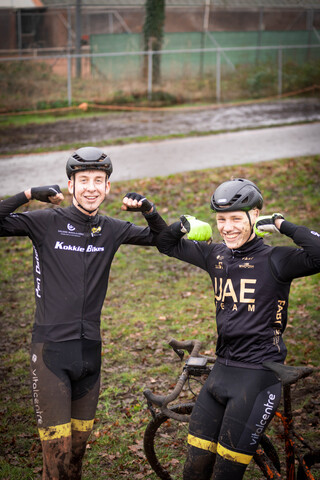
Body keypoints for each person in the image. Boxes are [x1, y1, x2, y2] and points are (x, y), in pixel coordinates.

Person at [0, 146, 167, 480]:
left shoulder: (112, 228)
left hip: (90, 352)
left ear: (107, 187)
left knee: (76, 458)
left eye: (98, 180)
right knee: (57, 463)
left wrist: (149, 210)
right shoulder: (45, 222)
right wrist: (29, 194)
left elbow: (164, 241)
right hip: (51, 353)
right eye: (83, 180)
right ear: (70, 185)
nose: (91, 187)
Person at [155, 178, 320, 480]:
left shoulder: (277, 259)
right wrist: (182, 225)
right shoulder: (215, 254)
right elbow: (165, 244)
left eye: (235, 219)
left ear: (255, 215)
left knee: (225, 476)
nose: (227, 227)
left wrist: (282, 224)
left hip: (257, 376)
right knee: (194, 471)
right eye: (221, 220)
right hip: (222, 371)